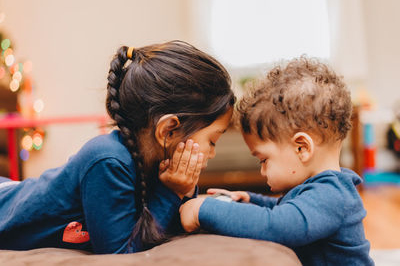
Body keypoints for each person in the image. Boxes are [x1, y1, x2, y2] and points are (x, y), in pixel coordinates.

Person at [0, 40, 235, 254]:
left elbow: (169, 222)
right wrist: (173, 192)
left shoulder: (158, 164)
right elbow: (120, 253)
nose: (212, 153)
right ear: (168, 130)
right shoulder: (108, 161)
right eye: (212, 141)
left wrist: (185, 192)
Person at [179, 57, 374, 265]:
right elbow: (286, 207)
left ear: (302, 148)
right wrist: (250, 199)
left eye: (263, 160)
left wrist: (205, 210)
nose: (263, 171)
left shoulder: (332, 196)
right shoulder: (323, 191)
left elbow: (279, 225)